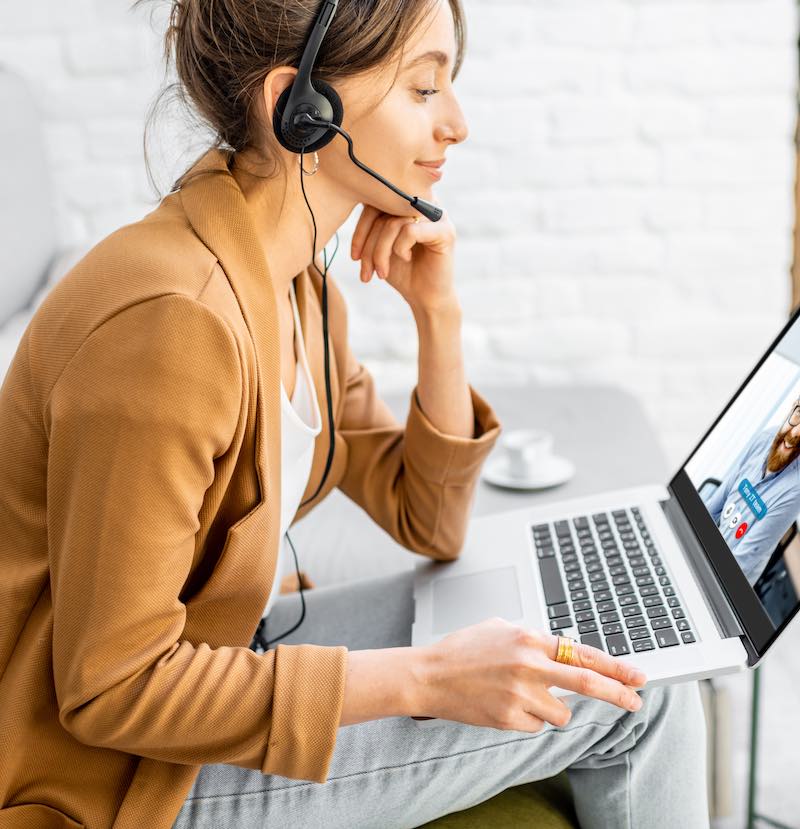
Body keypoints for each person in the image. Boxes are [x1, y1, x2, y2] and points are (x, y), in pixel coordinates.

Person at [0, 1, 710, 827]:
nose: (457, 123)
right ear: (298, 110)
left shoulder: (298, 288)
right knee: (633, 696)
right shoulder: (174, 323)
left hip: (224, 661)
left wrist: (436, 316)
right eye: (423, 88)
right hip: (115, 780)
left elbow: (428, 519)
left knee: (598, 645)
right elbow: (111, 687)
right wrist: (426, 677)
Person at [702, 397, 800, 587]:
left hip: (725, 583)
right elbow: (713, 508)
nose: (795, 432)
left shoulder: (796, 489)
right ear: (793, 407)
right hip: (708, 553)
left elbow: (742, 563)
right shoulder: (766, 438)